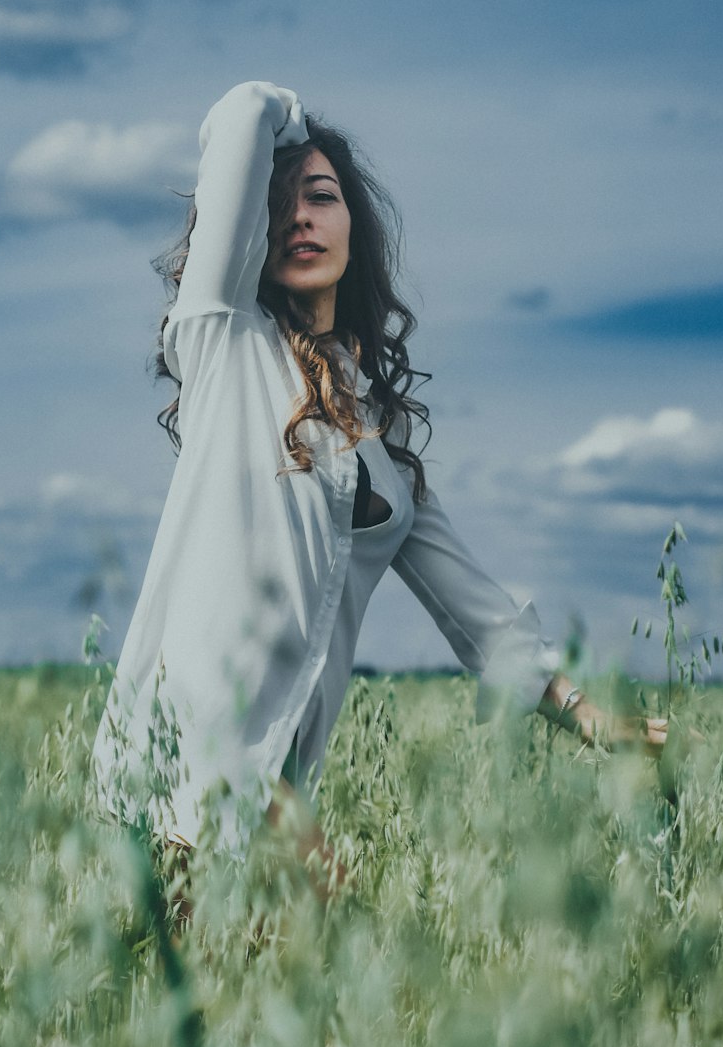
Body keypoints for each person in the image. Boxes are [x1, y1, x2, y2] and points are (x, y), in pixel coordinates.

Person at [93, 81, 666, 869]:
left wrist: (588, 717)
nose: (299, 216)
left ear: (355, 228)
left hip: (284, 759)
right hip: (193, 755)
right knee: (308, 945)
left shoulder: (381, 437)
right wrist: (290, 119)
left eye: (321, 197)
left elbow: (477, 613)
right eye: (278, 199)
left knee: (262, 983)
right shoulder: (225, 342)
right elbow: (236, 117)